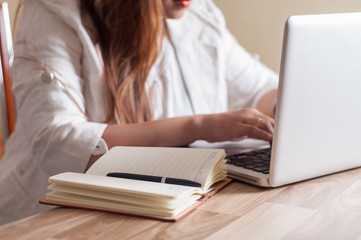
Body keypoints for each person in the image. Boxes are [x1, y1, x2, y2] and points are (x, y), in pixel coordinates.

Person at [0, 0, 278, 224]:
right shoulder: (54, 11)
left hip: (164, 211)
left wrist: (288, 106)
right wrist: (199, 126)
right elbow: (58, 142)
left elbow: (261, 88)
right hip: (50, 219)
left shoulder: (199, 13)